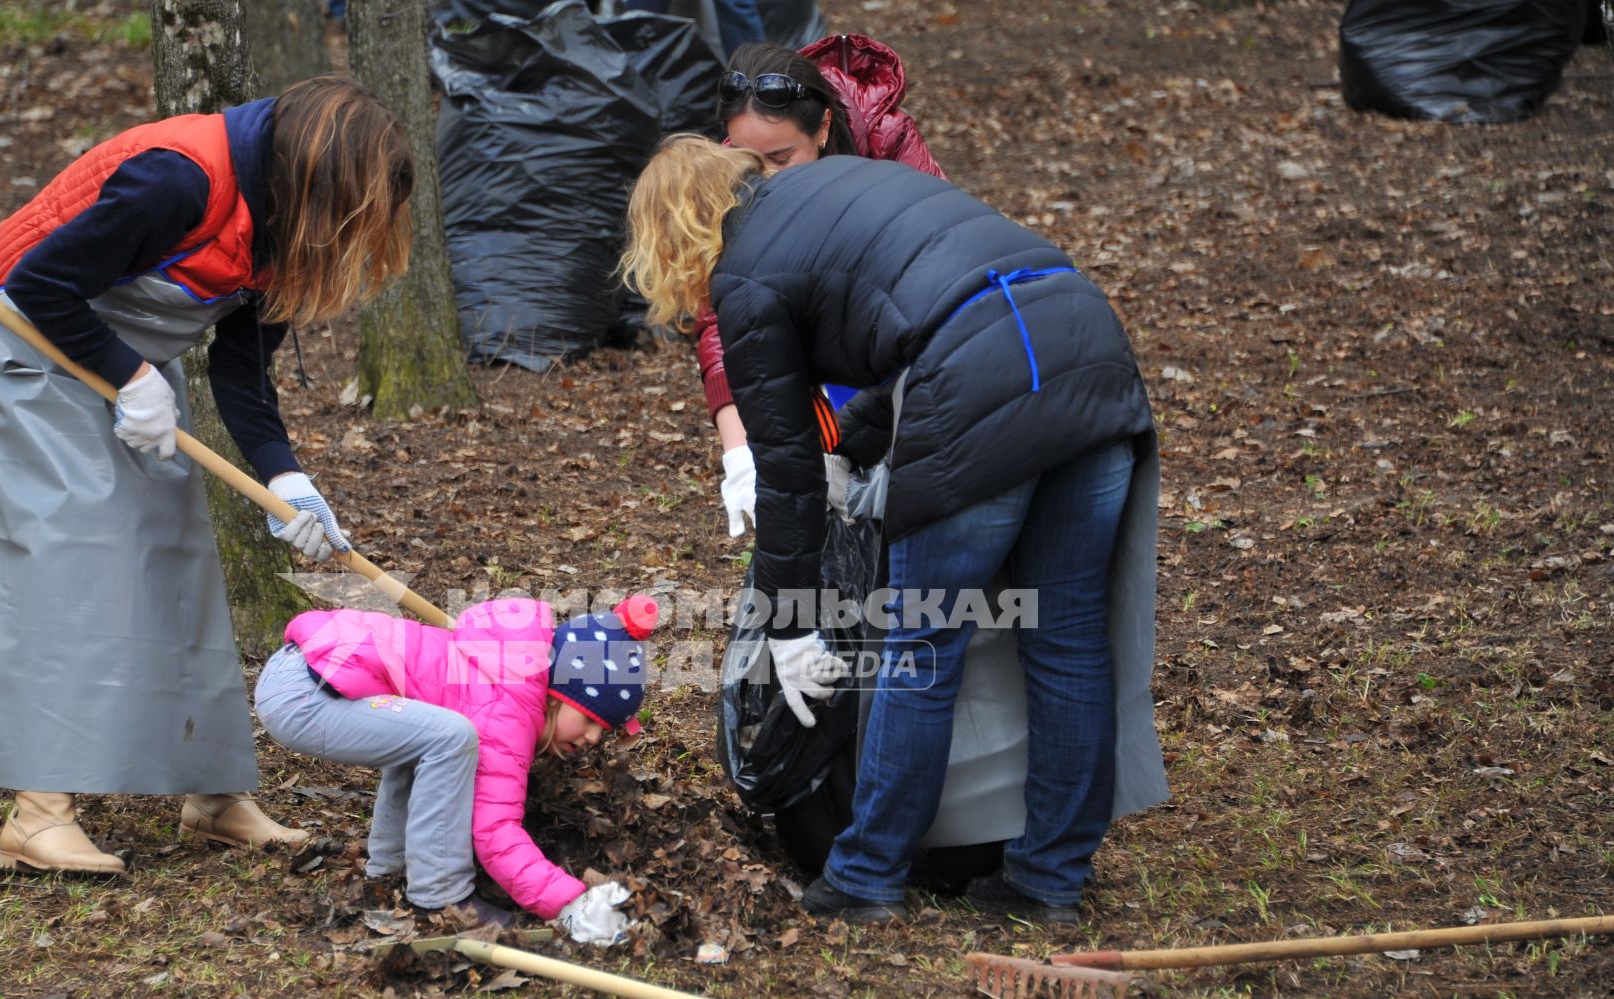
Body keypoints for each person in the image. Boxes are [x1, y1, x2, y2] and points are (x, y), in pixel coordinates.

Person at [623, 136, 1168, 926]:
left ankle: (867, 872)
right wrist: (851, 444)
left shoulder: (743, 274)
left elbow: (787, 476)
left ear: (676, 231)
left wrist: (789, 623)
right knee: (1067, 636)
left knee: (918, 643)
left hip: (988, 384)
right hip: (1087, 347)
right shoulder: (844, 185)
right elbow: (926, 327)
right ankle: (1050, 877)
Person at [0, 77, 413, 875]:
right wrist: (132, 377)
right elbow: (39, 282)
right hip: (30, 353)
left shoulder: (275, 221)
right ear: (318, 184)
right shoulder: (179, 180)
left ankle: (211, 792)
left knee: (179, 562)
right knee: (73, 563)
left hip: (130, 378)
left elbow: (242, 369)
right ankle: (38, 811)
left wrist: (287, 483)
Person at [255, 594, 662, 944]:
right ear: (557, 694)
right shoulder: (507, 710)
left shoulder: (505, 677)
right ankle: (442, 896)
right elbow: (495, 831)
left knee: (430, 735)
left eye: (603, 730)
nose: (593, 738)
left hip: (299, 673)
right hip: (306, 695)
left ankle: (389, 870)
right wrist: (570, 902)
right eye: (590, 719)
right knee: (451, 736)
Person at [702, 37, 944, 539]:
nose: (763, 176)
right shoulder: (731, 172)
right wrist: (740, 453)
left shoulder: (886, 141)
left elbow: (938, 259)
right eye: (747, 160)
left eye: (781, 156)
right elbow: (722, 318)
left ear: (825, 127)